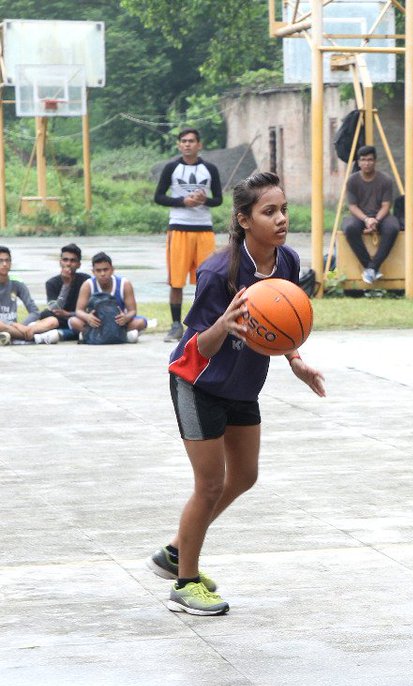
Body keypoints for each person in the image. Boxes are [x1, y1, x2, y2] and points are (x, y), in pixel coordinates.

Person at [147, 171, 325, 616]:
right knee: (209, 484)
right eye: (269, 211)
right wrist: (223, 325)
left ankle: (176, 550)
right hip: (197, 382)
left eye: (284, 210)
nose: (281, 219)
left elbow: (277, 327)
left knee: (244, 475)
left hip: (243, 384)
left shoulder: (286, 262)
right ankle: (185, 582)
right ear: (244, 220)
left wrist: (295, 358)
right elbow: (198, 347)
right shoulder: (217, 271)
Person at [155, 127, 223, 342]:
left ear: (199, 145)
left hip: (204, 230)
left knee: (207, 280)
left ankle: (202, 325)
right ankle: (176, 325)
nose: (187, 144)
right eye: (183, 141)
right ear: (179, 145)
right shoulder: (171, 168)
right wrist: (182, 201)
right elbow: (159, 196)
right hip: (179, 228)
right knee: (176, 281)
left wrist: (204, 200)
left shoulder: (210, 169)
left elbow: (218, 199)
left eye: (191, 141)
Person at [342, 146, 401, 285]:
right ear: (358, 162)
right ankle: (371, 267)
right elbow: (352, 206)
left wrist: (376, 220)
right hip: (360, 216)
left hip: (381, 216)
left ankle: (372, 268)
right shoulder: (352, 180)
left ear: (375, 161)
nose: (366, 163)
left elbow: (386, 205)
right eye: (363, 160)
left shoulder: (385, 180)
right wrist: (367, 219)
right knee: (349, 228)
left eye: (370, 160)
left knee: (393, 227)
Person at [69, 252, 149, 344]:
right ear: (93, 272)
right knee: (73, 321)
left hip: (118, 324)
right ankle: (124, 336)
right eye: (98, 270)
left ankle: (89, 336)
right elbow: (79, 311)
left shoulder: (124, 284)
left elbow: (133, 311)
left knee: (141, 322)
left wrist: (126, 318)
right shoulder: (88, 285)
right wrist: (88, 317)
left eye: (105, 270)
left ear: (112, 270)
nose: (102, 274)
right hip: (97, 324)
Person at [0, 246, 60, 345]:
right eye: (1, 261)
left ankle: (13, 336)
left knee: (53, 321)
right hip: (5, 326)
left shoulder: (16, 283)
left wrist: (23, 327)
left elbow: (34, 312)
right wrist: (14, 325)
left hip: (16, 327)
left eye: (7, 260)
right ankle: (37, 338)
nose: (4, 264)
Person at [37, 243, 90, 344]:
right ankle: (71, 333)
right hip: (59, 320)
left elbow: (89, 310)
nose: (68, 264)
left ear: (79, 264)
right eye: (65, 260)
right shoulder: (51, 283)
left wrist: (69, 314)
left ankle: (60, 333)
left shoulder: (86, 281)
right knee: (45, 314)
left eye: (73, 260)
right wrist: (66, 285)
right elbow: (54, 309)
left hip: (78, 319)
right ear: (60, 262)